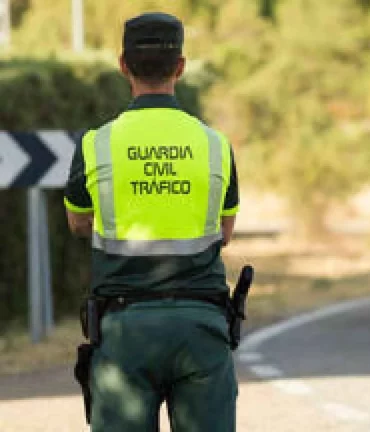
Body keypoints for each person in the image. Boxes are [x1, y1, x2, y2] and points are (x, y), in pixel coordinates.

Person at [64, 12, 239, 432]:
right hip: (201, 328)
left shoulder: (95, 144)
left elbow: (77, 223)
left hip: (125, 333)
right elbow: (224, 233)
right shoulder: (215, 145)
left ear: (123, 66)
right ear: (180, 67)